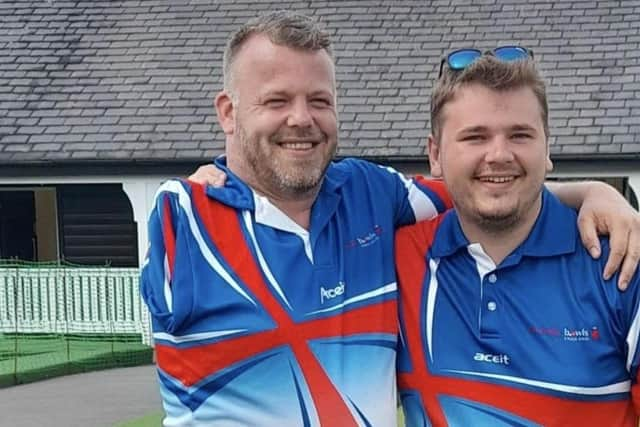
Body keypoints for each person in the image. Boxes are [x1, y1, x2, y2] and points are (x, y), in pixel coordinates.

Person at [142, 11, 640, 426]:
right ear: (228, 113)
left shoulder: (372, 196)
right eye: (276, 100)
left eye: (319, 101)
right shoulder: (184, 216)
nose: (301, 119)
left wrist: (594, 192)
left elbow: (484, 192)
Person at [395, 48, 640, 427]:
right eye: (475, 137)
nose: (499, 154)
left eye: (520, 135)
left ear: (548, 149)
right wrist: (590, 188)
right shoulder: (395, 258)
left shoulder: (621, 260)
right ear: (435, 155)